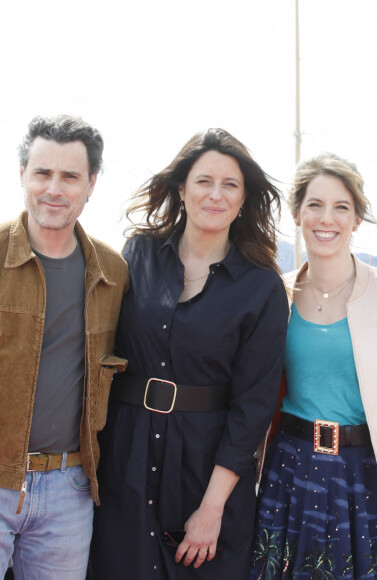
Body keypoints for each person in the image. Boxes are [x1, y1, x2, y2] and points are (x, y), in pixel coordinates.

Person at [89, 128, 289, 579]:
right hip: (126, 461)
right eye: (204, 181)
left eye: (230, 185)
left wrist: (212, 508)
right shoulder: (137, 254)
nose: (215, 195)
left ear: (243, 199)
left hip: (207, 472)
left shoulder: (262, 287)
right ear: (182, 189)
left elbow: (253, 407)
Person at [248, 153, 377, 580]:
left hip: (368, 479)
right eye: (315, 204)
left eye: (342, 207)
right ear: (297, 213)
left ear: (356, 219)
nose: (326, 218)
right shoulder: (273, 295)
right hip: (289, 475)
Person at [0, 115, 129, 579]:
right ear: (22, 176)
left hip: (68, 490)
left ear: (91, 184)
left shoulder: (114, 273)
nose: (54, 188)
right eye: (42, 173)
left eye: (70, 176)